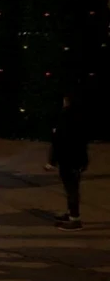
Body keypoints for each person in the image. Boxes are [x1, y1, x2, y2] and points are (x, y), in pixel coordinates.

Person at [48, 95, 88, 231]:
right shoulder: (79, 116)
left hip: (69, 159)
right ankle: (71, 214)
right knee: (71, 188)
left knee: (71, 189)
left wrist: (52, 161)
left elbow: (59, 140)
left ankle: (75, 219)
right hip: (75, 158)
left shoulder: (67, 117)